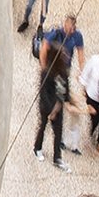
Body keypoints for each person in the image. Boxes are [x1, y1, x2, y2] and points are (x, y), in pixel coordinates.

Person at [32, 41, 74, 170]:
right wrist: (51, 110)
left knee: (58, 131)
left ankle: (57, 157)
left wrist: (63, 103)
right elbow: (44, 93)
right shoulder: (46, 72)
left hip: (58, 105)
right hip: (47, 106)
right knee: (43, 126)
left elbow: (65, 89)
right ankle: (37, 148)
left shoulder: (63, 72)